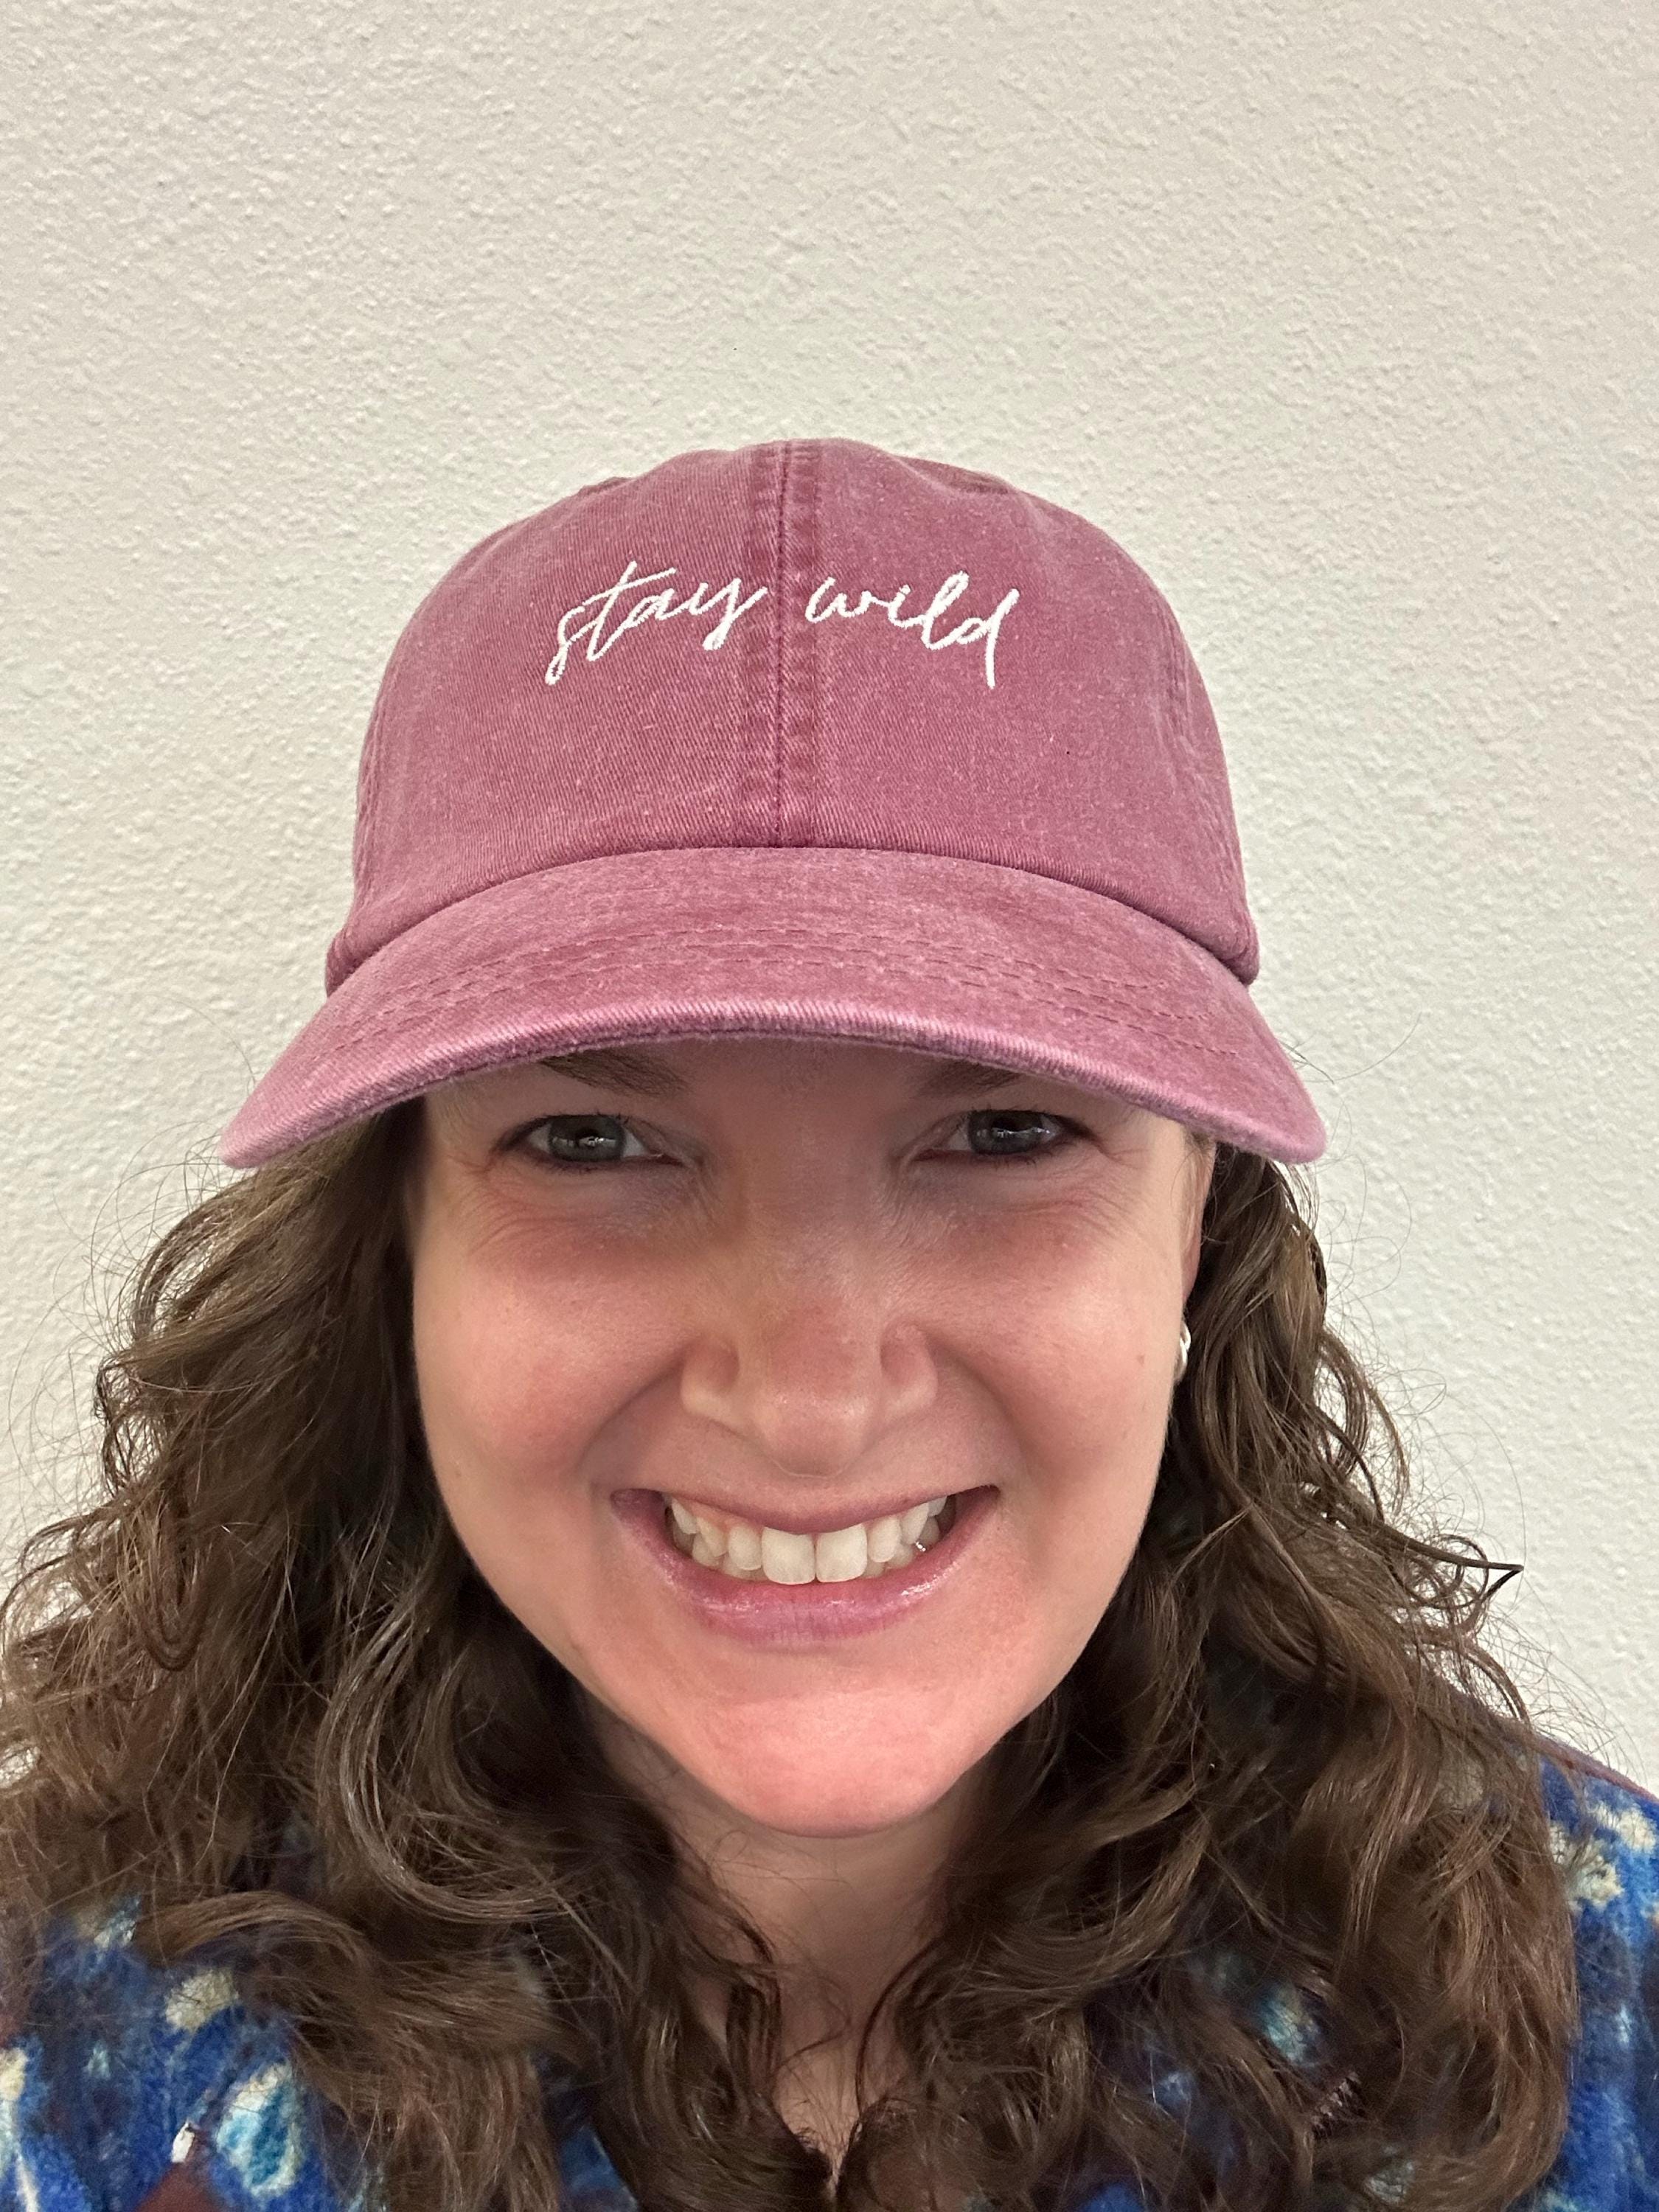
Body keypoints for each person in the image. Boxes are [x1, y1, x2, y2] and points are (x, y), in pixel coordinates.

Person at [0, 438, 1653, 2212]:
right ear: (398, 1235)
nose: (806, 1401)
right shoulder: (64, 2055)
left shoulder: (1595, 2005)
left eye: (1003, 1134)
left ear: (1200, 1225)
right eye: (592, 1141)